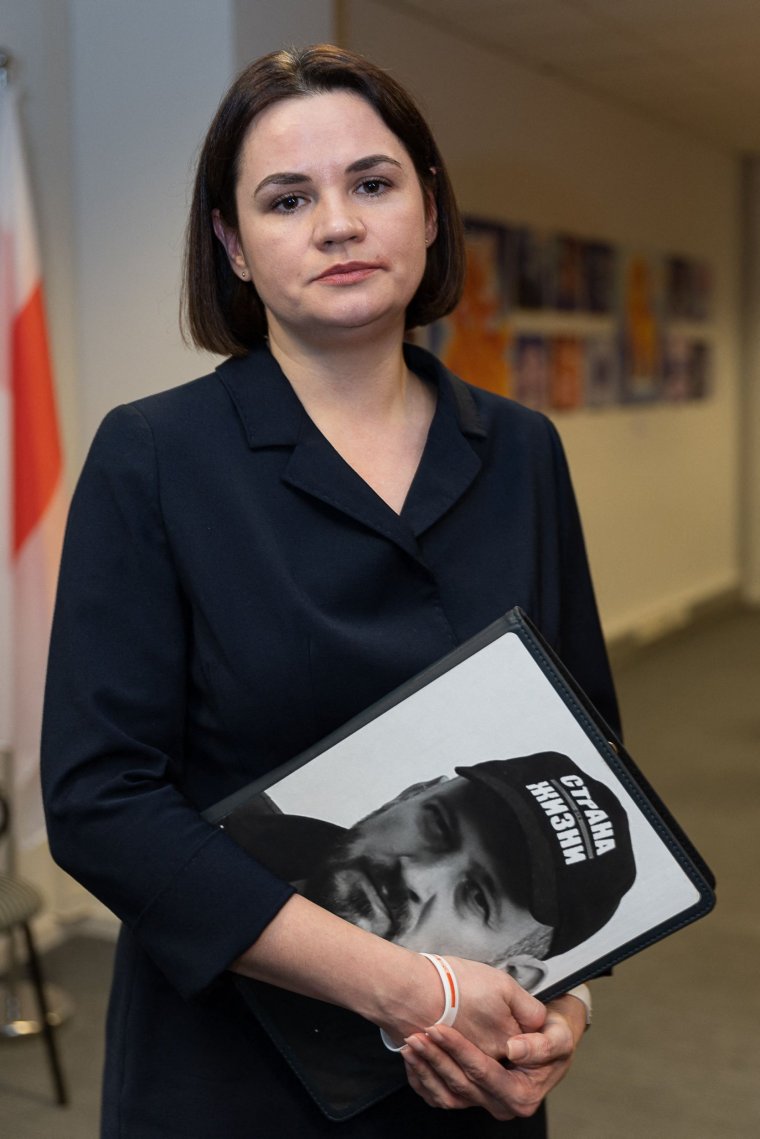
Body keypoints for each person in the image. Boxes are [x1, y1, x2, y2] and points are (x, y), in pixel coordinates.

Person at [41, 44, 621, 1138]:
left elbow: (582, 750)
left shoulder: (522, 452)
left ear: (431, 209)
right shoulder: (156, 457)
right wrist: (404, 987)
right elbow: (101, 803)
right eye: (286, 198)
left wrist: (567, 992)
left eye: (372, 182)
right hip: (229, 1065)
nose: (338, 223)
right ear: (233, 246)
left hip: (469, 1073)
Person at [225, 751, 636, 979]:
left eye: (477, 898)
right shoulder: (227, 833)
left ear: (511, 977)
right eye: (438, 825)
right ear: (407, 796)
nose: (415, 874)